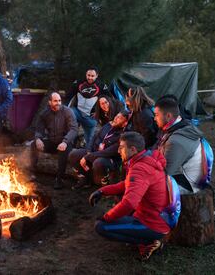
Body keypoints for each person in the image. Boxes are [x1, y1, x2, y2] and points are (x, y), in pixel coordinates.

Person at [89, 131, 169, 261]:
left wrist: (106, 217)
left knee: (101, 226)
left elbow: (129, 203)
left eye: (121, 147)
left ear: (132, 149)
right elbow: (126, 184)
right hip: (159, 218)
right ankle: (147, 238)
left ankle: (147, 241)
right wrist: (103, 191)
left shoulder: (140, 168)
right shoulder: (147, 159)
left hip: (152, 224)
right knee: (117, 214)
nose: (118, 150)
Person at [153, 96, 204, 194]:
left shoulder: (176, 140)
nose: (155, 119)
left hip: (187, 184)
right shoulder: (175, 127)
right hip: (181, 175)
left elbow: (165, 172)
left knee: (145, 187)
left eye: (156, 115)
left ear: (168, 116)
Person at [68, 110, 130, 189]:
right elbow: (94, 137)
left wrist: (87, 157)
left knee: (98, 162)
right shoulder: (109, 125)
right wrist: (88, 151)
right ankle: (85, 179)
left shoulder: (123, 136)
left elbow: (107, 152)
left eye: (119, 118)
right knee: (73, 154)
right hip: (94, 151)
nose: (115, 118)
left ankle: (105, 186)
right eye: (116, 116)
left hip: (108, 158)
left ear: (125, 123)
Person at [31, 91, 78, 189]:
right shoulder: (45, 113)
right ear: (50, 102)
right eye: (55, 101)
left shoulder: (67, 111)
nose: (58, 103)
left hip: (66, 142)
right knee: (33, 145)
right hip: (52, 141)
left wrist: (65, 142)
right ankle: (32, 172)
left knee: (63, 150)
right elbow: (39, 128)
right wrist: (38, 138)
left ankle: (59, 179)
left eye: (60, 100)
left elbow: (74, 129)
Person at [67, 67, 110, 147]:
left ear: (97, 76)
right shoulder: (78, 83)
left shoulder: (102, 86)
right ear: (86, 74)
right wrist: (64, 110)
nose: (90, 77)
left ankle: (86, 156)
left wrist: (99, 114)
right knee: (69, 115)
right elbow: (68, 96)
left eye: (92, 76)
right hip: (77, 112)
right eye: (88, 75)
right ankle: (68, 147)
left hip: (91, 117)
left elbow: (109, 101)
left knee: (89, 141)